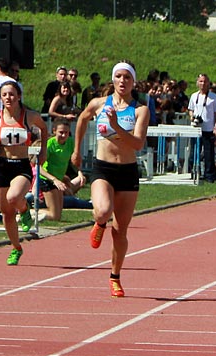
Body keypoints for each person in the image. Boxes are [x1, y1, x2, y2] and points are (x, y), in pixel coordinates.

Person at [73, 61, 150, 297]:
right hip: (103, 168)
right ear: (113, 79)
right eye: (119, 76)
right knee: (103, 210)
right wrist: (76, 150)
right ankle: (99, 222)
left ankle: (115, 277)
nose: (122, 81)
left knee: (120, 231)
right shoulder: (99, 104)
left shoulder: (140, 110)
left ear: (133, 82)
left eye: (127, 77)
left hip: (127, 171)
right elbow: (82, 119)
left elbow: (138, 144)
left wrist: (116, 126)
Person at [0, 80, 49, 266]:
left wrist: (43, 150)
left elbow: (44, 128)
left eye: (11, 94)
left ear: (18, 96)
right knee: (7, 213)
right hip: (2, 166)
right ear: (0, 98)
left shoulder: (29, 116)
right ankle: (16, 248)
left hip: (21, 165)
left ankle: (24, 209)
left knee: (13, 197)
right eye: (4, 95)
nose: (8, 98)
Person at [36, 121, 85, 222]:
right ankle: (28, 213)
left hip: (59, 180)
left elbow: (75, 160)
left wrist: (80, 173)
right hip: (47, 180)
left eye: (66, 133)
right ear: (54, 131)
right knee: (54, 216)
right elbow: (38, 168)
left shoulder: (70, 142)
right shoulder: (50, 144)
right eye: (61, 132)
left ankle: (33, 214)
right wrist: (54, 180)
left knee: (58, 215)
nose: (64, 135)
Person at [189, 74, 216, 183]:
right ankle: (193, 172)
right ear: (197, 82)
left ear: (208, 83)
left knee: (209, 154)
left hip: (208, 129)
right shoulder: (194, 96)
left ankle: (209, 176)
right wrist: (192, 117)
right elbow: (190, 109)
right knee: (194, 153)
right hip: (196, 129)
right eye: (201, 81)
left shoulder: (213, 97)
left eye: (205, 81)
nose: (203, 84)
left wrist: (215, 127)